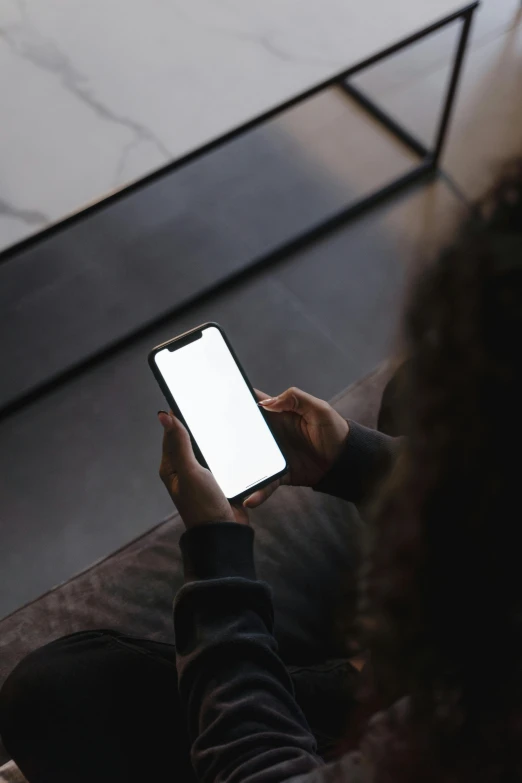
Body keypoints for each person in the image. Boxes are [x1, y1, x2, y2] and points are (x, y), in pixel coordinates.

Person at [1, 161, 522, 783]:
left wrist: (219, 561)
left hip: (412, 713)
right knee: (410, 393)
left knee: (59, 693)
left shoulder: (470, 742)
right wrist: (352, 461)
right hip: (448, 657)